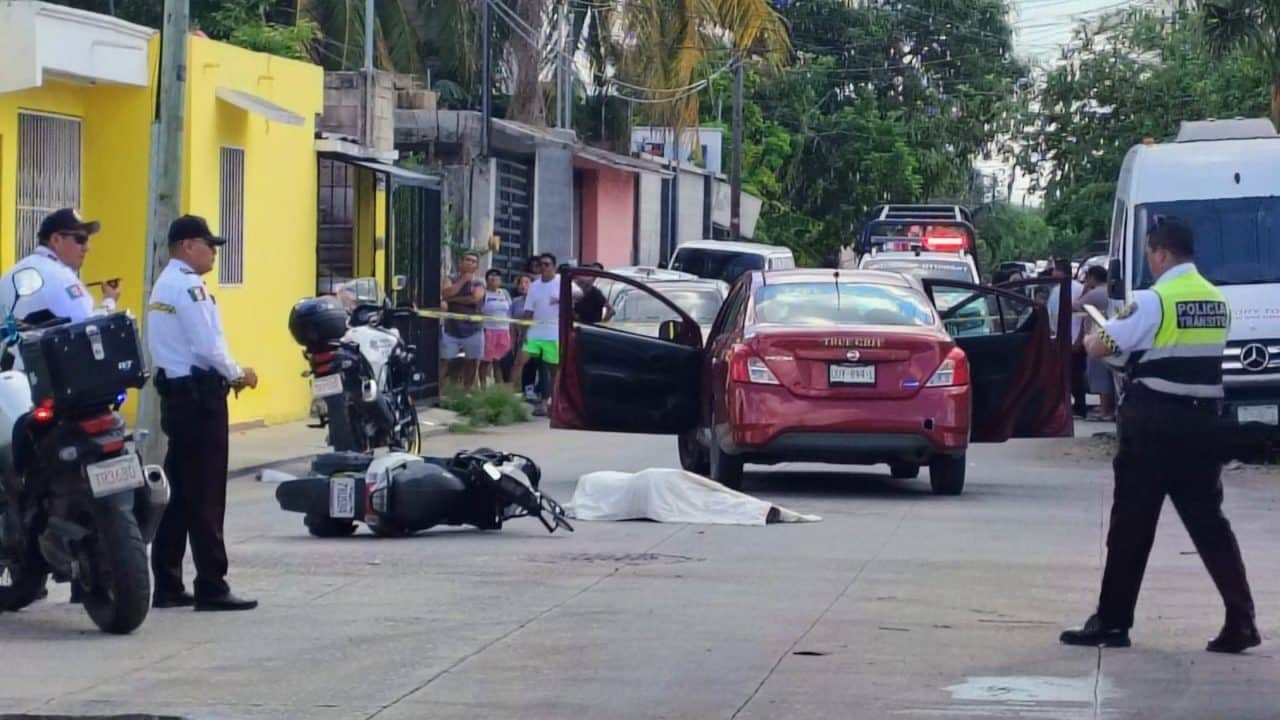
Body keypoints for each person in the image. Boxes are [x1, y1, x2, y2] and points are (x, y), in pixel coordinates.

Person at [1060, 217, 1259, 654]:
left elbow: (1102, 346)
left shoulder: (1155, 300)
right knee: (1210, 526)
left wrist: (1097, 335)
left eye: (1151, 255)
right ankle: (1241, 621)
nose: (1151, 262)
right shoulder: (1216, 300)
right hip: (1202, 425)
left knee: (1131, 525)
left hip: (1153, 425)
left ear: (1162, 253)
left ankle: (1112, 623)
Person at [147, 215, 259, 612]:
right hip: (200, 400)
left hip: (177, 399)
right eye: (208, 244)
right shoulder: (190, 288)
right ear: (186, 246)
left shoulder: (164, 284)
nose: (214, 252)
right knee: (207, 495)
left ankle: (167, 582)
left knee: (178, 494)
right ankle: (212, 583)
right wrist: (238, 373)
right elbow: (208, 346)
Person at [0, 208, 121, 332]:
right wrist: (109, 301)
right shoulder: (62, 277)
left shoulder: (9, 275)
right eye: (80, 239)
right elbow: (90, 328)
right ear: (56, 240)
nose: (87, 247)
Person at [511, 253, 566, 416]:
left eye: (547, 264)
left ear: (554, 267)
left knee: (553, 371)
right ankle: (507, 398)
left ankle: (551, 403)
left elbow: (578, 295)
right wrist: (523, 333)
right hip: (535, 333)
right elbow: (528, 311)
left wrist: (560, 299)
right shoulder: (534, 286)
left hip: (553, 334)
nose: (543, 267)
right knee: (518, 362)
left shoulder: (561, 281)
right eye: (541, 264)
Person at [1074, 265, 1116, 421]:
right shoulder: (1109, 291)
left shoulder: (1094, 294)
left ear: (1092, 277)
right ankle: (1108, 408)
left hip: (1097, 337)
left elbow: (1074, 306)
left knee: (1098, 375)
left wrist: (1084, 289)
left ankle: (1105, 411)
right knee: (1107, 374)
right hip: (1112, 335)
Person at [439, 252, 486, 390]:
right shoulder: (451, 278)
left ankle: (467, 391)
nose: (470, 263)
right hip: (451, 328)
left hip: (473, 329)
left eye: (473, 261)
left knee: (472, 361)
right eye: (467, 260)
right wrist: (463, 280)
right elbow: (445, 293)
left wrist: (453, 299)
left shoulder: (479, 281)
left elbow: (475, 298)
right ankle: (438, 391)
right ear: (461, 262)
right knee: (444, 360)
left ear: (477, 265)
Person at [1048, 257, 1087, 416]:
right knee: (1064, 374)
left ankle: (1080, 405)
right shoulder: (1056, 290)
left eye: (1055, 270)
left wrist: (1080, 337)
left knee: (1076, 375)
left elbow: (1085, 315)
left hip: (1075, 338)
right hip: (1061, 338)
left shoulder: (1079, 289)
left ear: (1061, 271)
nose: (1052, 273)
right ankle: (1067, 405)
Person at [480, 269, 513, 387]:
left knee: (498, 361)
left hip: (504, 331)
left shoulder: (504, 293)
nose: (494, 280)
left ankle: (499, 386)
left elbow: (510, 311)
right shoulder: (484, 293)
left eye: (497, 277)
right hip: (488, 330)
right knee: (485, 361)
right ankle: (483, 386)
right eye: (491, 277)